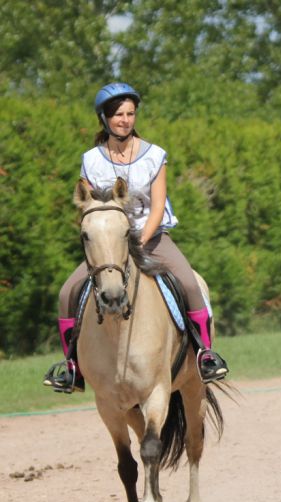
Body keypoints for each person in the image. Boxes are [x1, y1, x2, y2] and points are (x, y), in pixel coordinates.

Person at [43, 82, 228, 393]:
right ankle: (72, 368)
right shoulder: (91, 159)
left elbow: (158, 205)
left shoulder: (155, 155)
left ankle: (205, 355)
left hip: (152, 238)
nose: (125, 120)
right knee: (66, 294)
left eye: (130, 114)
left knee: (190, 285)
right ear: (104, 118)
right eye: (118, 115)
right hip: (109, 245)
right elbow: (88, 206)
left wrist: (140, 238)